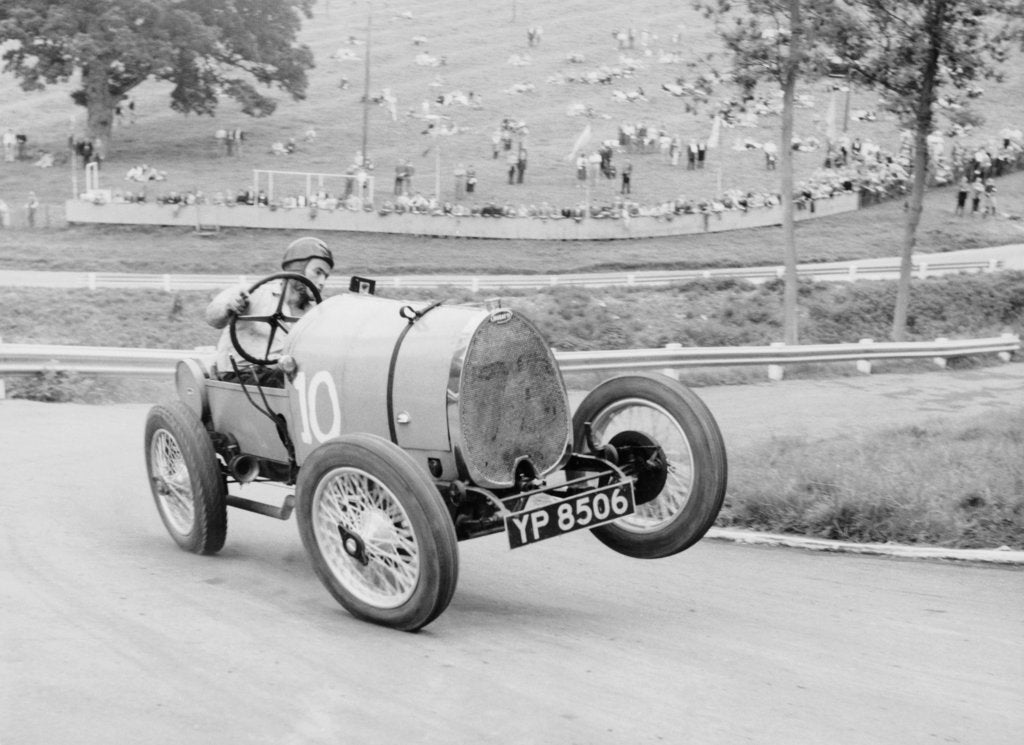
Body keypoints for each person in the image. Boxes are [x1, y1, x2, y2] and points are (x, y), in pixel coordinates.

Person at [205, 237, 334, 384]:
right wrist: (229, 307)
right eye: (318, 272)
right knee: (288, 380)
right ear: (297, 269)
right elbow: (212, 318)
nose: (322, 282)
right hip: (240, 376)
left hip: (282, 375)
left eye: (326, 276)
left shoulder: (314, 314)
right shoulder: (254, 293)